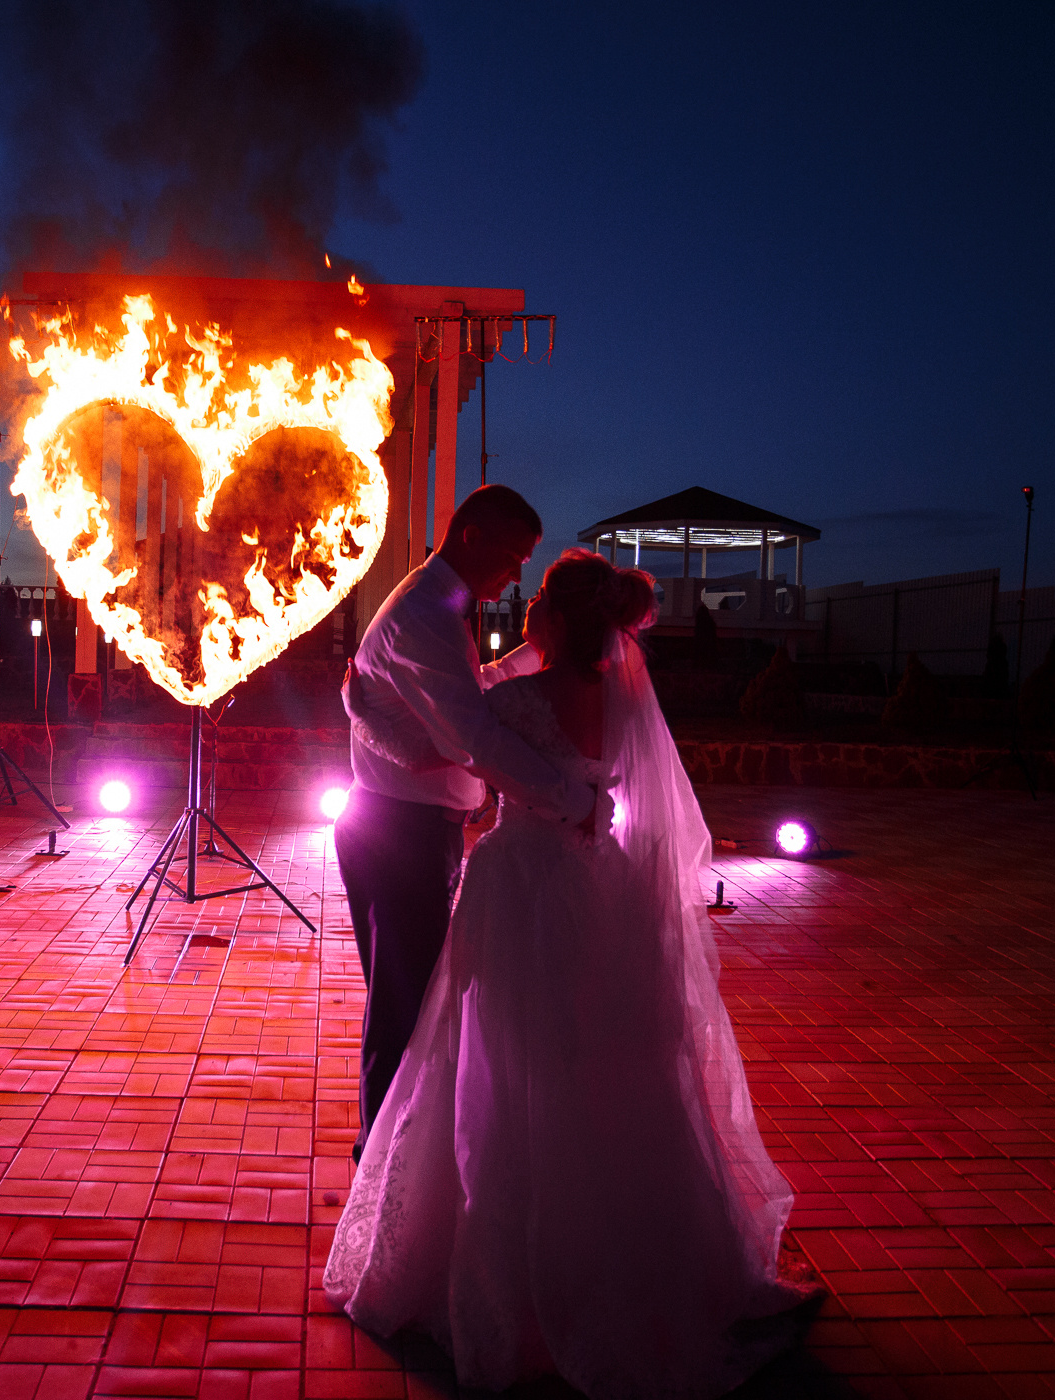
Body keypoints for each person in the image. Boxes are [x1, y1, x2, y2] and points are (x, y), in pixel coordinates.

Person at [325, 549, 820, 1399]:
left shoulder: (515, 705)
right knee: (601, 1057)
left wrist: (360, 701)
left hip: (519, 885)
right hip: (599, 884)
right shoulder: (622, 699)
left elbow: (448, 756)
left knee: (505, 1057)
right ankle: (629, 1245)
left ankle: (518, 1267)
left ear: (548, 617)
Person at [337, 485, 604, 1164]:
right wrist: (571, 801)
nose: (517, 576)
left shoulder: (440, 605)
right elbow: (474, 737)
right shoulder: (427, 614)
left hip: (406, 825)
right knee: (406, 1003)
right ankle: (384, 1157)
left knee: (410, 997)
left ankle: (390, 1145)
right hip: (401, 833)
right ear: (472, 537)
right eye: (514, 557)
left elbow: (462, 693)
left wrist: (522, 660)